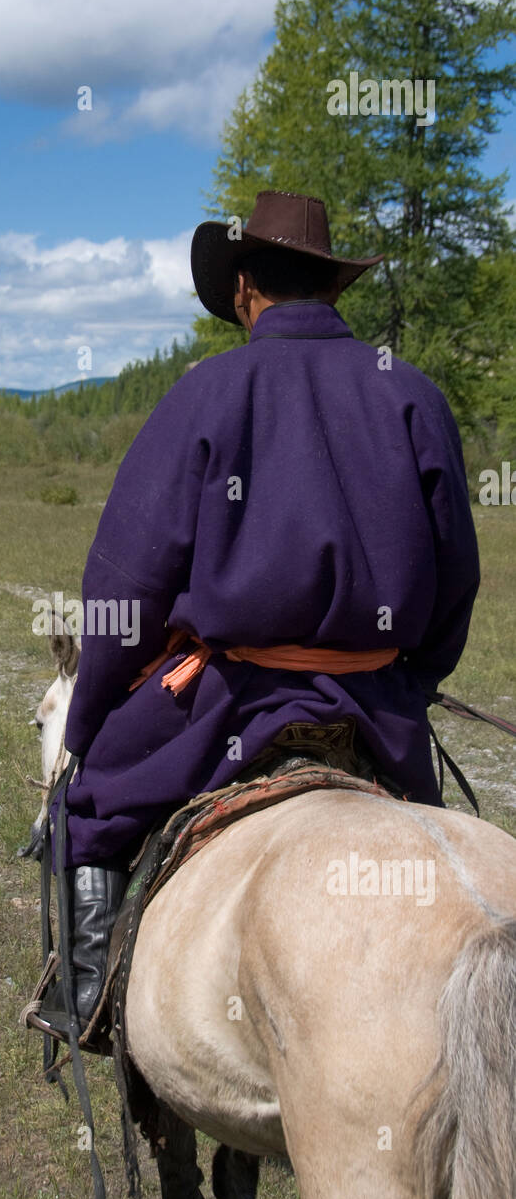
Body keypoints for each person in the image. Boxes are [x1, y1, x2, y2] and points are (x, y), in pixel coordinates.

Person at [34, 189, 480, 1042]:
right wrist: (407, 681)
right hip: (376, 713)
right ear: (332, 287)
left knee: (87, 811)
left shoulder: (206, 392)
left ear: (243, 288)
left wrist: (88, 723)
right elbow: (456, 575)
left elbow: (127, 583)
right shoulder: (412, 394)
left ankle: (85, 999)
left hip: (224, 706)